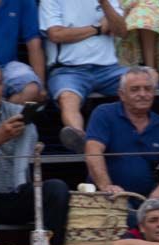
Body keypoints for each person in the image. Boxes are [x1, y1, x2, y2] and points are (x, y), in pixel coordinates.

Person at [85, 67, 159, 232]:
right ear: (122, 94)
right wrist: (106, 186)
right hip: (113, 196)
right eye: (135, 89)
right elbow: (93, 152)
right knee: (124, 210)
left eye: (147, 89)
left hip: (150, 199)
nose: (142, 94)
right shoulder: (104, 114)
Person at [0, 60, 69, 245]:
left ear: (3, 86)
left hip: (17, 192)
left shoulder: (17, 113)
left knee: (56, 188)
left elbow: (28, 152)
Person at [40, 0, 130, 153]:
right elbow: (56, 34)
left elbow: (121, 30)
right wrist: (97, 28)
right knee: (68, 97)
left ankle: (134, 136)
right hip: (69, 69)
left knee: (146, 79)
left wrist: (104, 4)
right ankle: (79, 138)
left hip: (109, 69)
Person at [0, 0, 45, 103]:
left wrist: (41, 86)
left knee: (32, 89)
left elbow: (33, 43)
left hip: (8, 65)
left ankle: (4, 114)